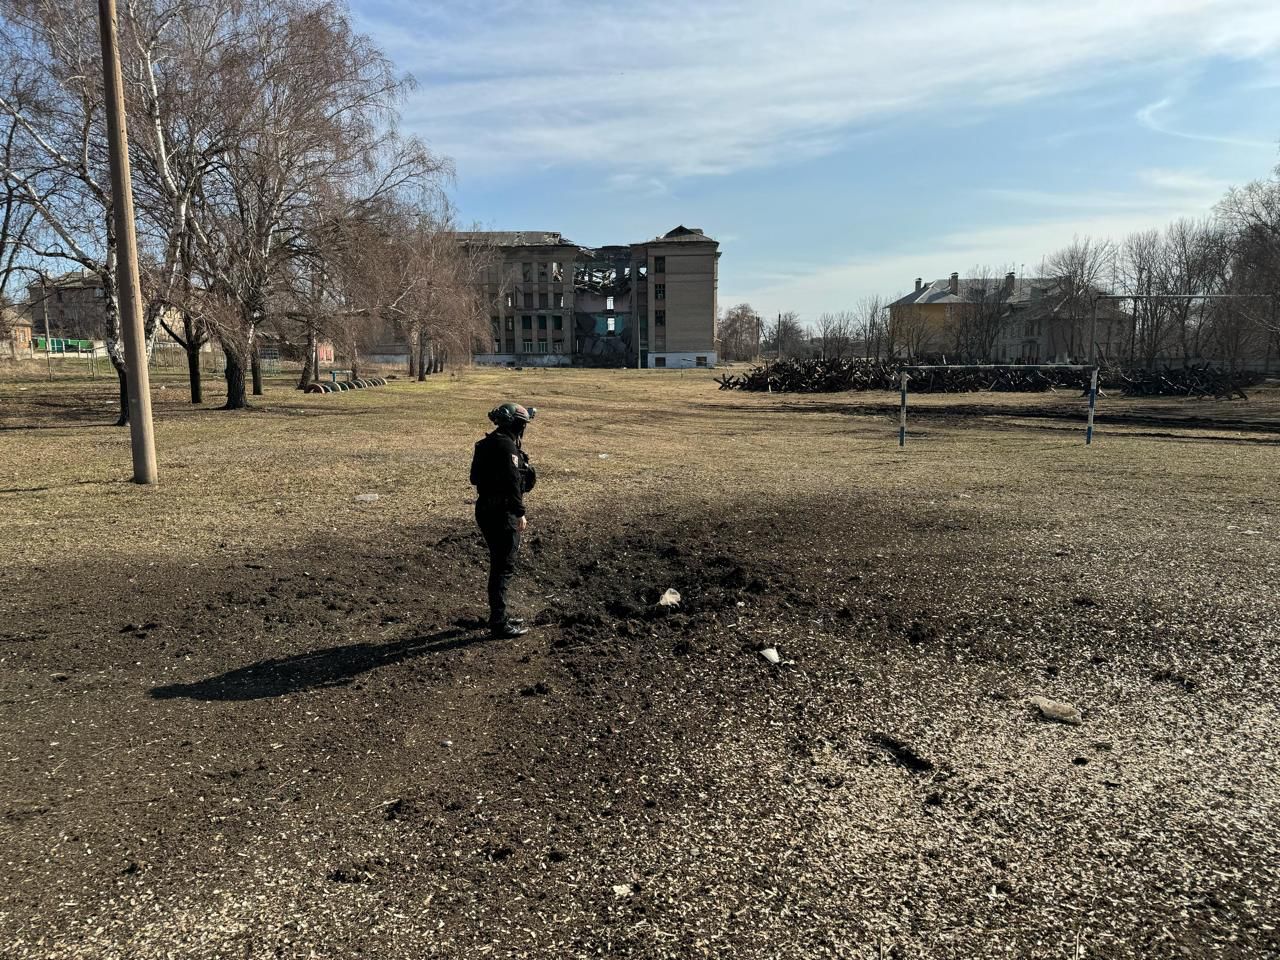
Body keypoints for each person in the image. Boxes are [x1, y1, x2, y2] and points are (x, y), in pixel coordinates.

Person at [470, 402, 538, 638]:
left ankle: (500, 615)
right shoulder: (507, 446)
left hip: (485, 509)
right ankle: (499, 622)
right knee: (502, 567)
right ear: (517, 425)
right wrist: (520, 512)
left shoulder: (486, 443)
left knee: (499, 565)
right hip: (503, 513)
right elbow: (512, 483)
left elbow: (474, 478)